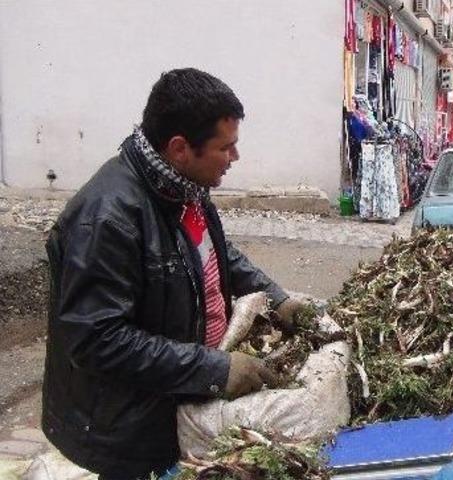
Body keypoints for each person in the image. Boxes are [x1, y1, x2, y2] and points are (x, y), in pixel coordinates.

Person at [42, 68, 307, 479]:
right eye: (226, 147)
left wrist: (276, 297)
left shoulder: (183, 188)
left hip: (175, 403)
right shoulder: (107, 219)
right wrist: (214, 370)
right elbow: (96, 339)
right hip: (129, 433)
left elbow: (216, 256)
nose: (235, 158)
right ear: (181, 147)